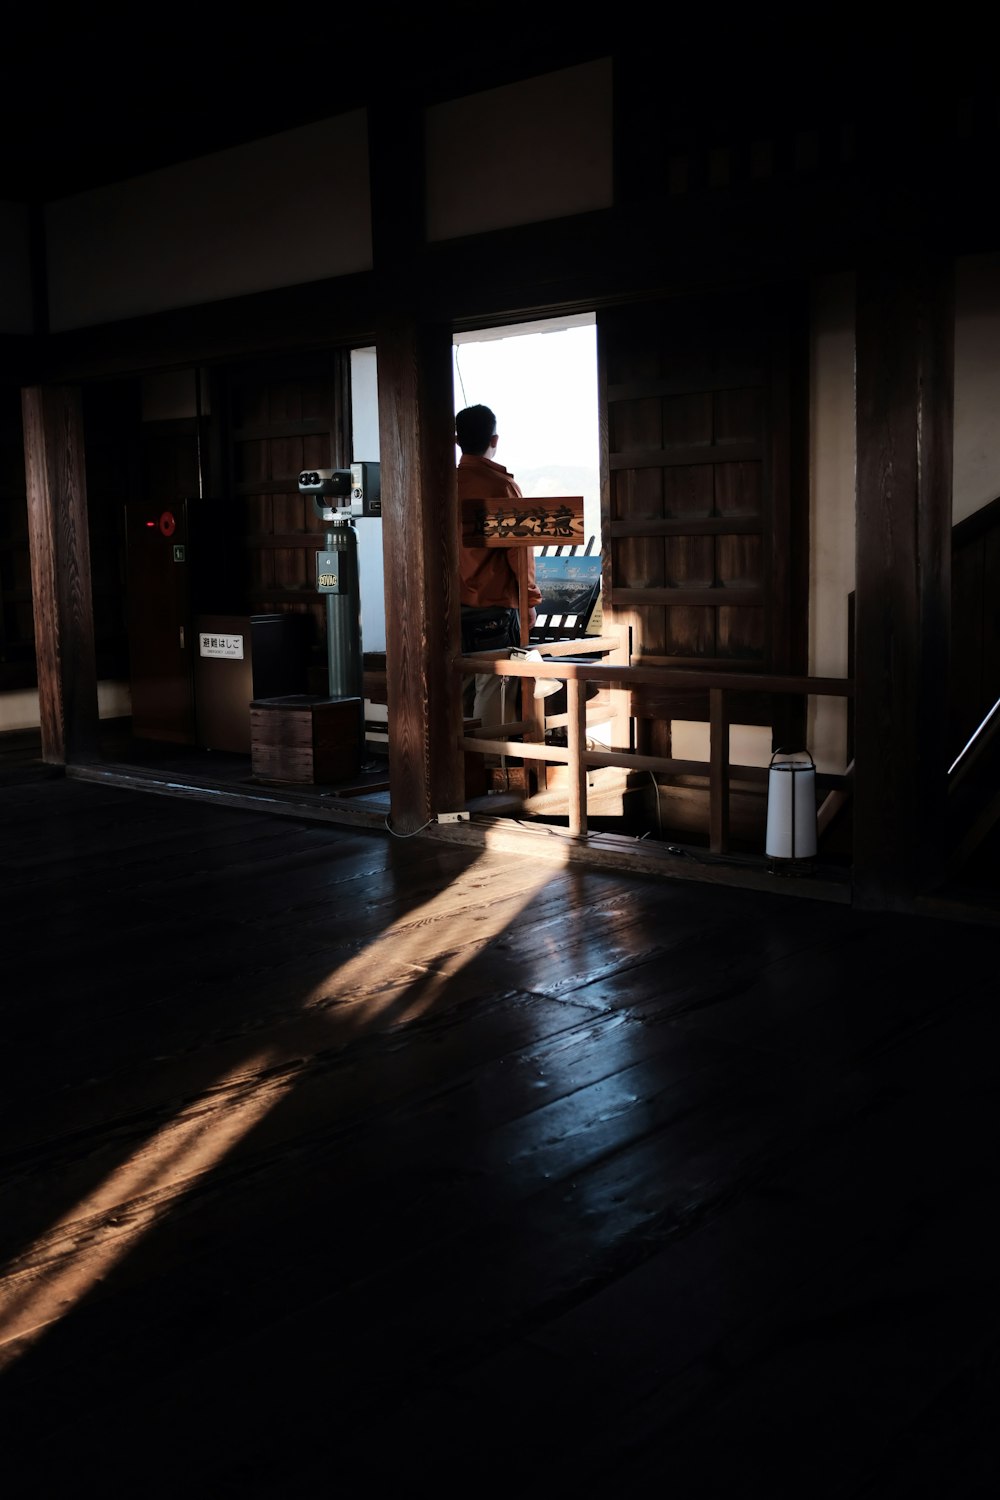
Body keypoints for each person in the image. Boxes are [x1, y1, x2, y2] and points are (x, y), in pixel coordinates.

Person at [455, 404, 542, 729]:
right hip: (492, 606)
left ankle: (466, 769)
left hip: (447, 607)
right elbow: (519, 554)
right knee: (493, 683)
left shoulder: (440, 485)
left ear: (456, 439)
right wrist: (529, 601)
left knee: (459, 683)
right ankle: (494, 767)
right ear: (495, 439)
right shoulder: (500, 487)